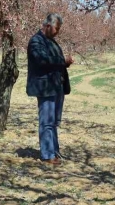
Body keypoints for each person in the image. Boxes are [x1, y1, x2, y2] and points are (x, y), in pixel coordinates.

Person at [26, 13, 73, 166]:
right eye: (56, 29)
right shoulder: (36, 41)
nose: (58, 32)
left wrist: (65, 63)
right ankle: (47, 155)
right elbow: (41, 60)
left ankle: (55, 151)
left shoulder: (52, 42)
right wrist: (62, 60)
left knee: (53, 122)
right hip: (45, 88)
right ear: (47, 26)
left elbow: (54, 63)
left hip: (56, 87)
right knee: (46, 122)